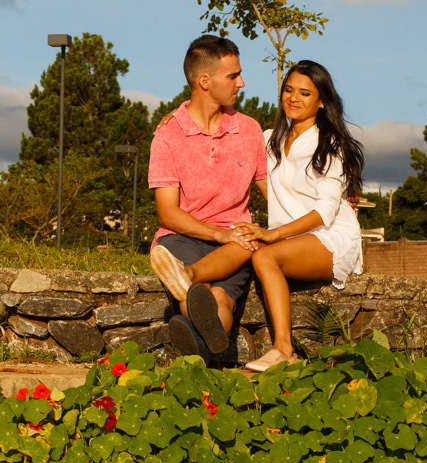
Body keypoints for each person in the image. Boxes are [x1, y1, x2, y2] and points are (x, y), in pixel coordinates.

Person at [153, 60, 364, 372]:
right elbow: (214, 124)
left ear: (322, 102)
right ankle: (188, 276)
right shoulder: (267, 139)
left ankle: (283, 350)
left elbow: (325, 211)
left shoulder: (329, 144)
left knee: (264, 256)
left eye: (305, 93)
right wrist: (176, 117)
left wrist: (272, 234)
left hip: (329, 236)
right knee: (244, 237)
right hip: (288, 239)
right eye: (288, 90)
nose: (294, 97)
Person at [148, 35, 267, 363]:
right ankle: (208, 350)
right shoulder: (168, 136)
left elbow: (275, 192)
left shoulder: (250, 130)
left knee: (219, 299)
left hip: (235, 245)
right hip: (183, 238)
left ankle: (199, 351)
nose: (241, 83)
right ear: (204, 81)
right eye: (233, 76)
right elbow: (168, 214)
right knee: (200, 297)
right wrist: (220, 233)